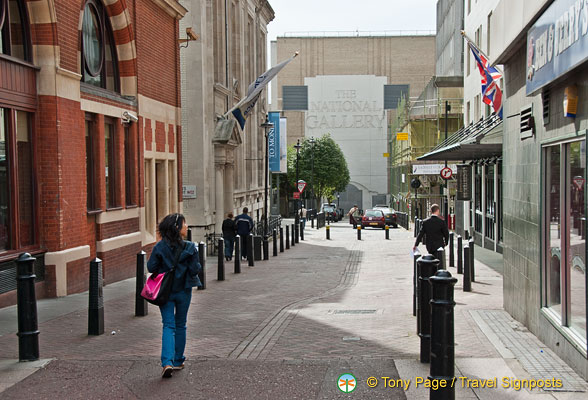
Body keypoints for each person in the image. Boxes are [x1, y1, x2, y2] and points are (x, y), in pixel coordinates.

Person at [147, 213, 202, 378]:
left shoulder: (160, 247)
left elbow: (151, 267)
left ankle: (167, 362)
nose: (187, 227)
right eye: (185, 224)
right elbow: (194, 270)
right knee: (181, 324)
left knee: (168, 325)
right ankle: (178, 360)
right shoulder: (190, 248)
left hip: (166, 292)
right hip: (184, 290)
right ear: (178, 227)